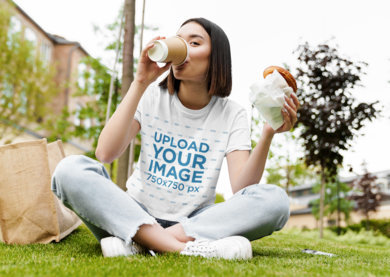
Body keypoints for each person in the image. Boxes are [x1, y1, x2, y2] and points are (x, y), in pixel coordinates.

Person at [51, 17, 300, 260]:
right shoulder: (150, 96)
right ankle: (183, 249)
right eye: (179, 41)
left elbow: (243, 189)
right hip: (135, 211)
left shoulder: (232, 113)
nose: (182, 48)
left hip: (195, 223)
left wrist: (268, 132)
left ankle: (139, 243)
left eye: (194, 43)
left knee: (275, 201)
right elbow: (105, 153)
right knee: (69, 170)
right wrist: (140, 82)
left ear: (216, 57)